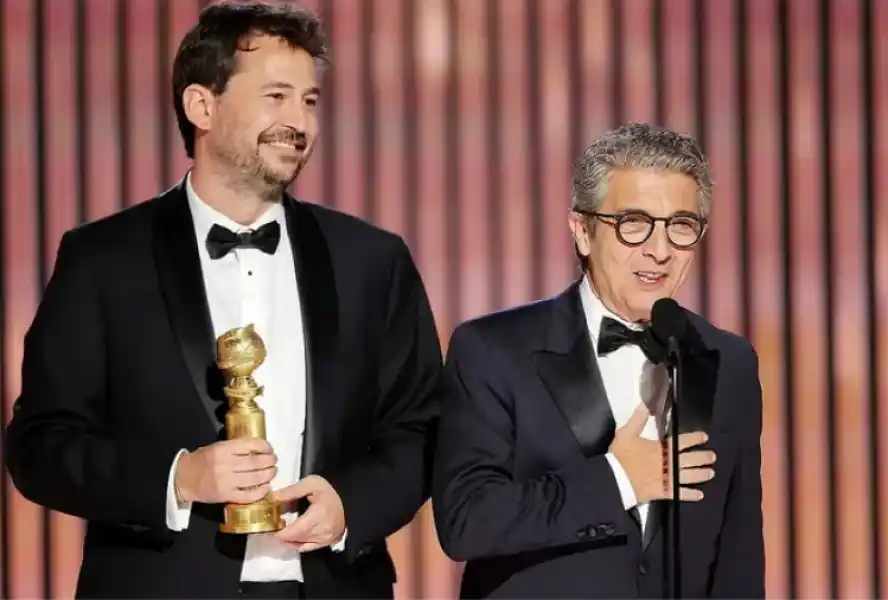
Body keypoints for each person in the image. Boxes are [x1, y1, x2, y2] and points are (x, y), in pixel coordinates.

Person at [5, 2, 442, 598]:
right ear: (200, 106)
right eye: (276, 97)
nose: (300, 122)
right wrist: (177, 479)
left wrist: (351, 505)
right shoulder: (102, 259)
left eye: (310, 101)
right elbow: (40, 446)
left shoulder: (372, 260)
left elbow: (420, 428)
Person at [431, 123, 765, 598]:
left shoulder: (729, 361)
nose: (660, 249)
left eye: (681, 226)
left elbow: (737, 555)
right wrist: (618, 479)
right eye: (634, 223)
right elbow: (466, 522)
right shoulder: (492, 350)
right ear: (583, 232)